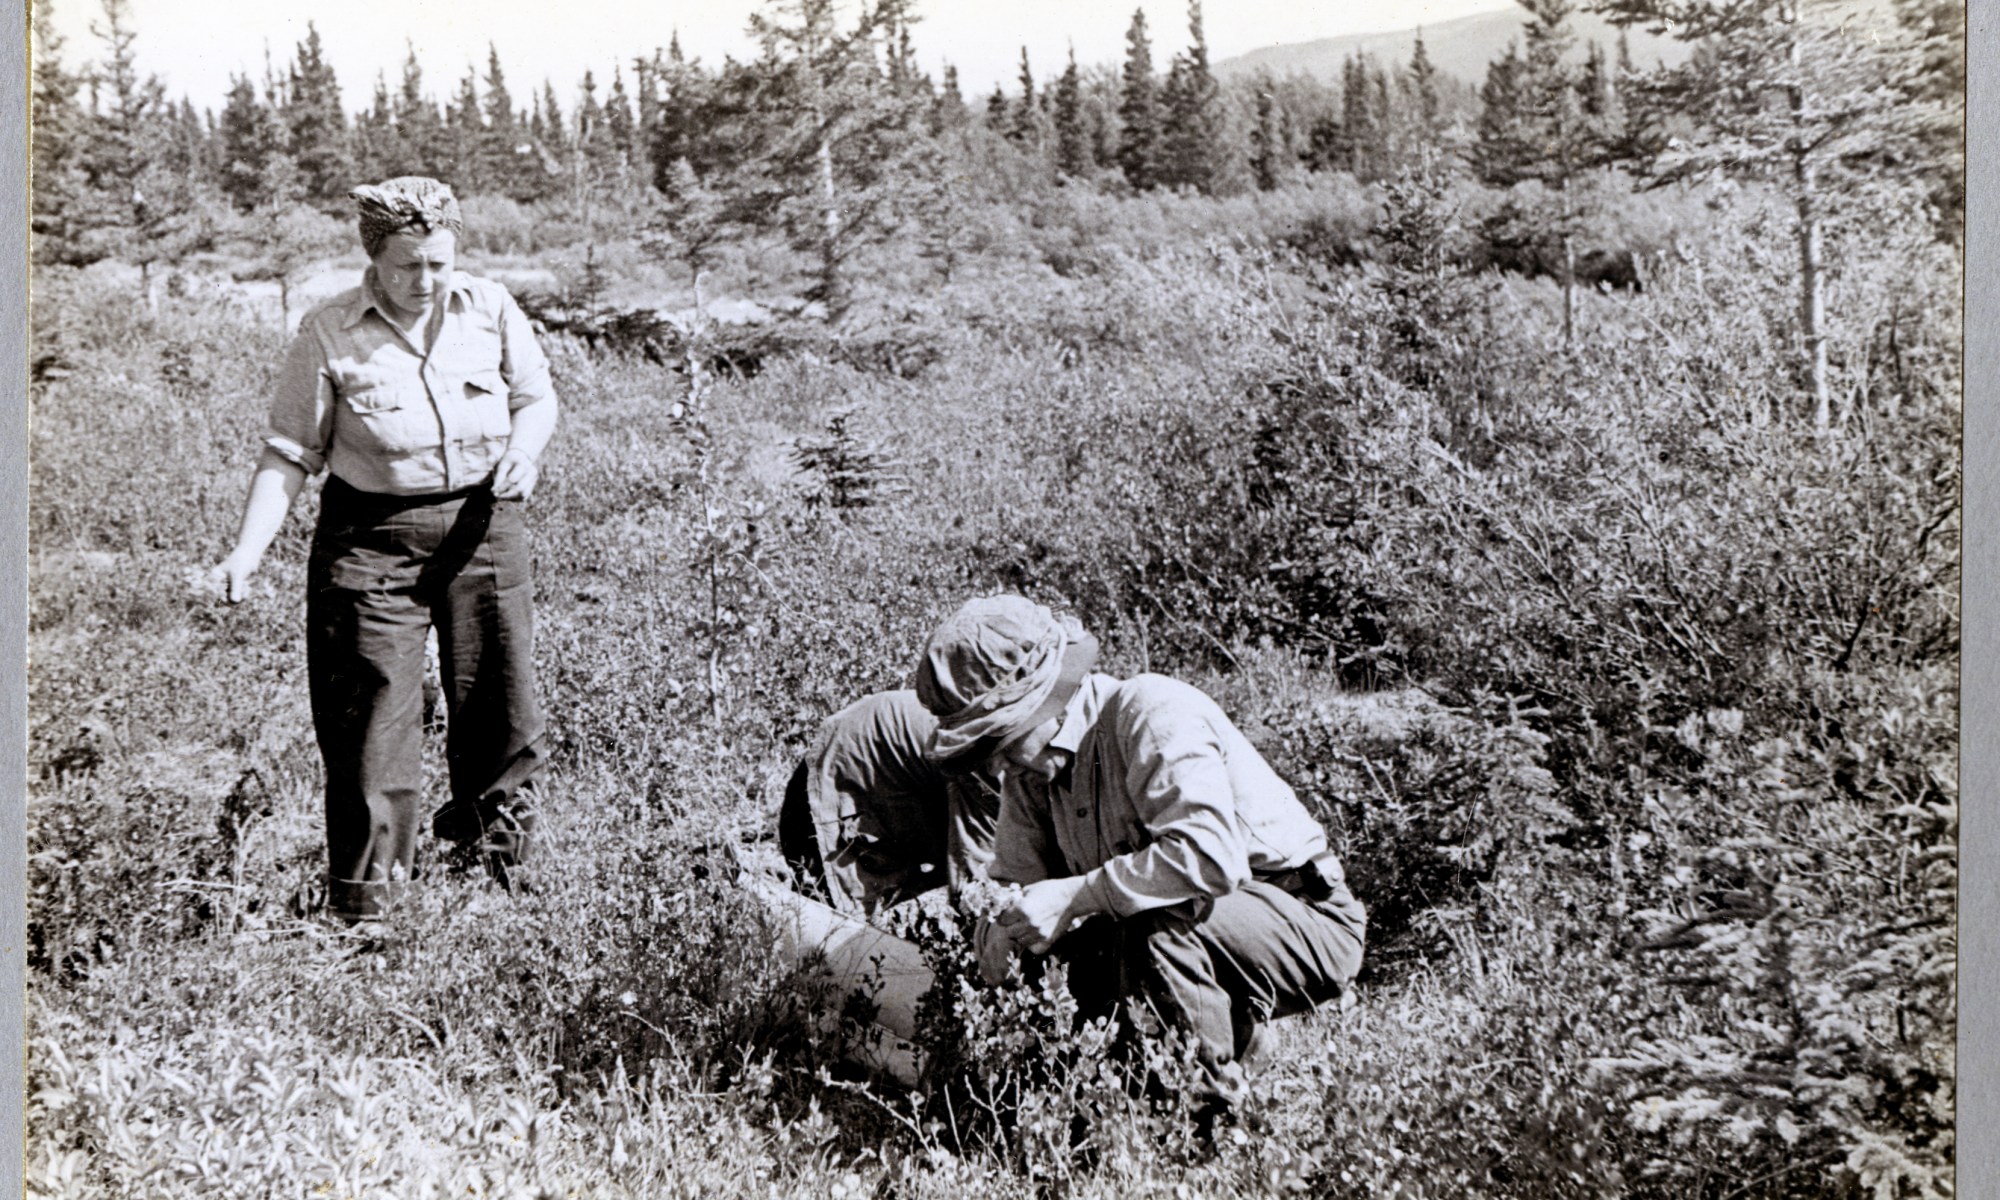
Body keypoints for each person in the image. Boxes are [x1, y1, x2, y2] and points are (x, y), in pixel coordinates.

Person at [207, 176, 559, 921]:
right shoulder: (329, 331)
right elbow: (288, 454)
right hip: (370, 543)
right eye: (408, 265)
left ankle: (499, 882)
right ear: (373, 257)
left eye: (439, 263)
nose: (426, 281)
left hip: (484, 528)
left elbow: (534, 394)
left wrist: (526, 451)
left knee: (503, 710)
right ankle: (372, 912)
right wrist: (245, 554)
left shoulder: (490, 307)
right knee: (374, 724)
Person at [911, 595, 1366, 1119]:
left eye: (1000, 739)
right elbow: (1018, 892)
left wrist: (1076, 895)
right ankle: (1134, 1103)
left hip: (1305, 917)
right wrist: (1004, 934)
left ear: (1044, 699)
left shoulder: (1148, 710)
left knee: (1155, 919)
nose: (995, 766)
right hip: (1193, 933)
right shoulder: (1032, 773)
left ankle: (1208, 1125)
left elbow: (1209, 858)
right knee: (1069, 955)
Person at [779, 689, 1002, 915]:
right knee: (835, 923)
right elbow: (978, 890)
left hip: (876, 773)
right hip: (838, 790)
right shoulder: (998, 766)